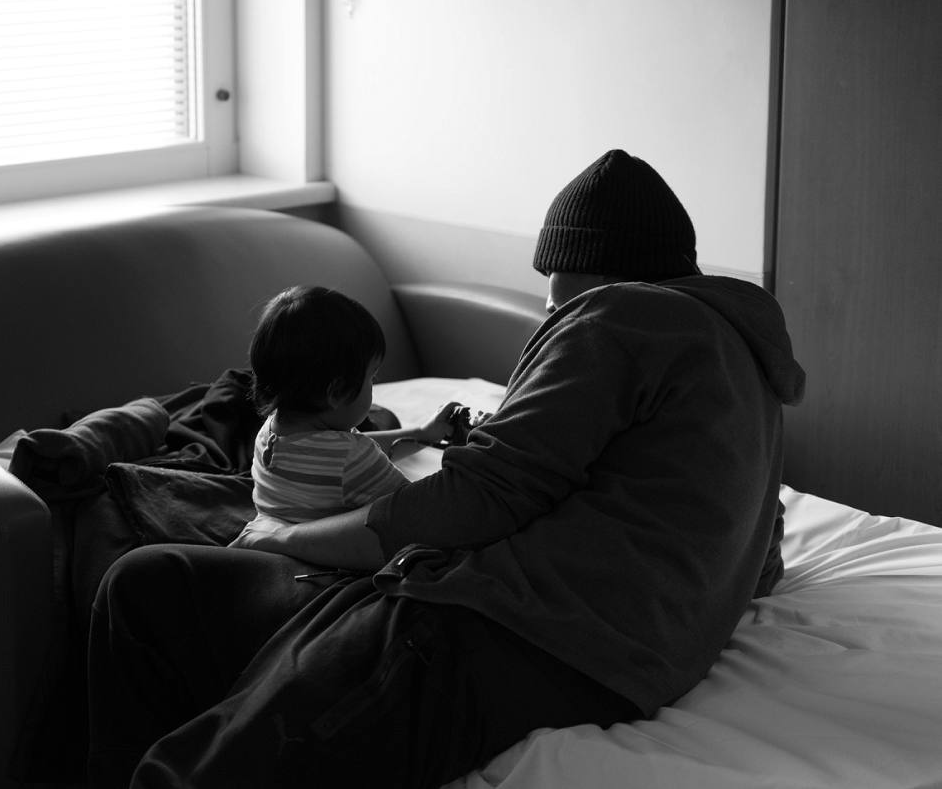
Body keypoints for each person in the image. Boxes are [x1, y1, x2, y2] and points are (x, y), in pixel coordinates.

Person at [85, 149, 806, 788]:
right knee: (148, 583)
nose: (550, 316)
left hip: (514, 631)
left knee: (209, 764)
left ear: (592, 274)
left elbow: (471, 503)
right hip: (564, 621)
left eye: (556, 295)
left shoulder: (616, 320)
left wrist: (282, 537)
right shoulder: (745, 360)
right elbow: (757, 546)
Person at [227, 285, 455, 552]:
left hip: (268, 532)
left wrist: (422, 434)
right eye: (372, 377)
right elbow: (410, 509)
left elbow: (346, 451)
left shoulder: (272, 431)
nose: (373, 385)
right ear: (336, 393)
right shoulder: (352, 459)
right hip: (323, 565)